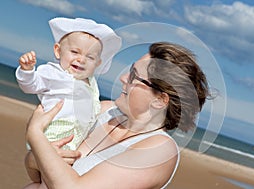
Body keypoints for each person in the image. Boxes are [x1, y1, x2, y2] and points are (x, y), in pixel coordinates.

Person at [24, 42, 210, 189]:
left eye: (133, 76)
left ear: (160, 100)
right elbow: (38, 172)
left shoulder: (160, 149)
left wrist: (35, 134)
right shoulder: (102, 111)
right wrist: (38, 155)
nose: (122, 78)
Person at [15, 17, 121, 150]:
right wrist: (27, 71)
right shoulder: (54, 73)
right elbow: (30, 85)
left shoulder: (91, 82)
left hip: (77, 138)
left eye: (90, 57)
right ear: (58, 51)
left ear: (98, 63)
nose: (81, 59)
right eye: (75, 52)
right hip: (53, 134)